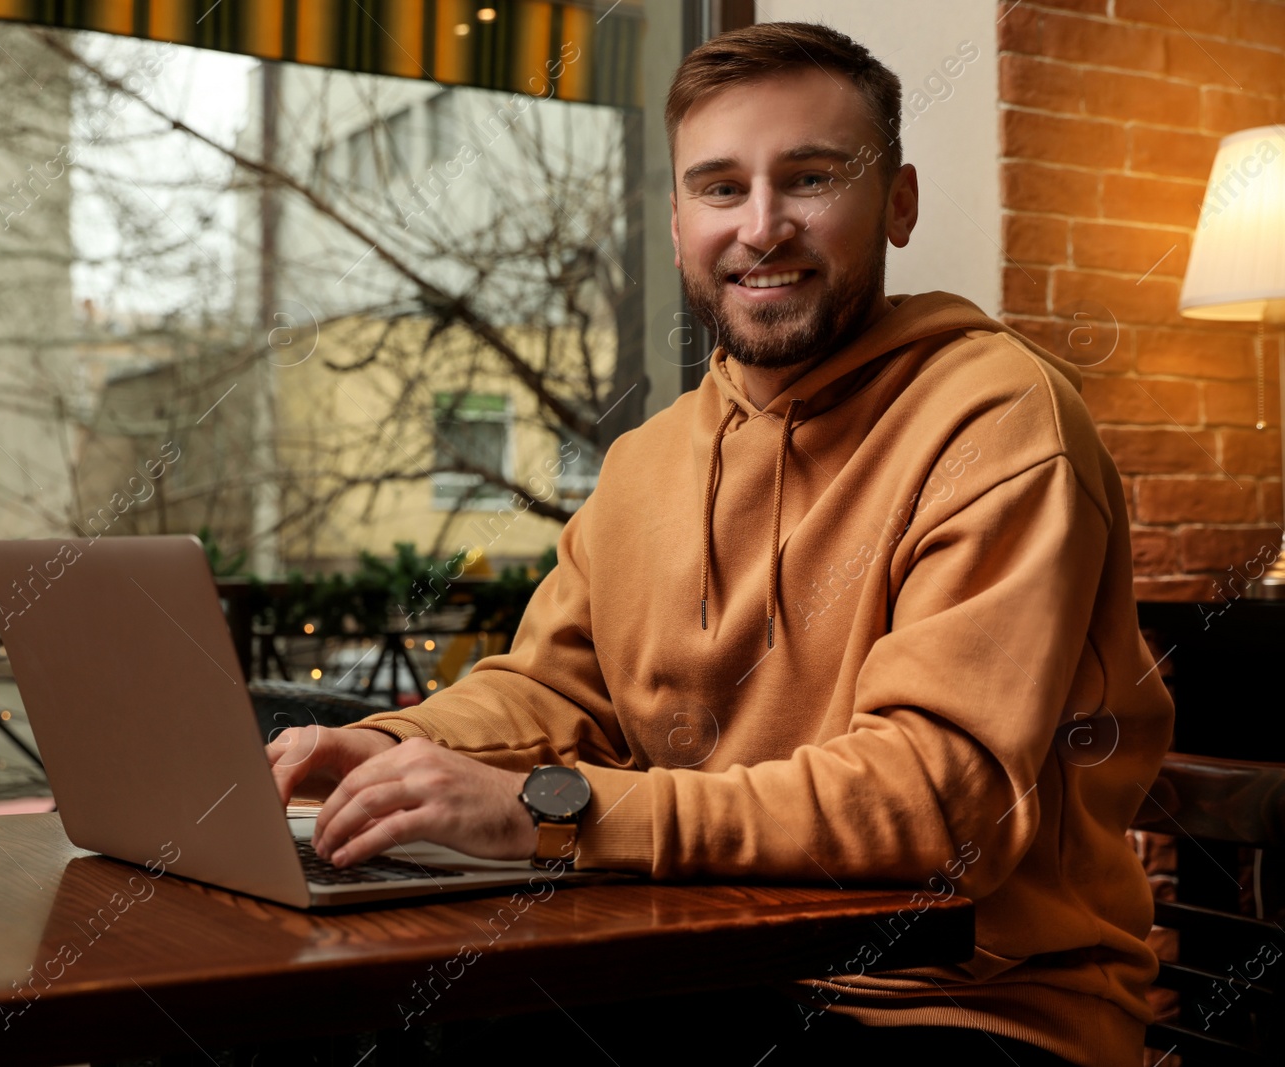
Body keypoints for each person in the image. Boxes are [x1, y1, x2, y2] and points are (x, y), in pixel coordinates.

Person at [268, 22, 1172, 1067]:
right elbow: (553, 694)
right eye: (719, 186)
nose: (762, 225)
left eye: (810, 177)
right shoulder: (648, 460)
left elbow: (934, 802)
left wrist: (555, 813)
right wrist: (385, 747)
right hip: (704, 964)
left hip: (968, 1005)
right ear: (677, 221)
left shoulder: (999, 420)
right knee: (318, 1030)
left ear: (900, 203)